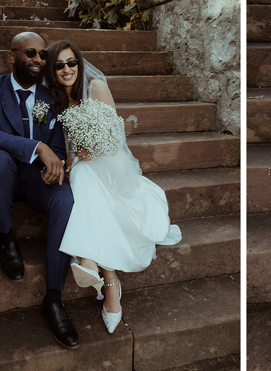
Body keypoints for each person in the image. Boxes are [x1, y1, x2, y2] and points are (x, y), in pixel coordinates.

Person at [43, 40, 182, 334]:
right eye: (59, 65)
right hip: (78, 164)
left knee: (83, 178)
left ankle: (91, 263)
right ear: (52, 70)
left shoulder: (95, 88)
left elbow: (115, 135)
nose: (67, 69)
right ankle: (109, 282)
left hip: (109, 160)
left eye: (71, 63)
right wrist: (69, 158)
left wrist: (93, 149)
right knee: (81, 178)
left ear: (79, 64)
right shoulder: (50, 100)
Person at [0, 32, 79, 349]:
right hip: (0, 177)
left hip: (36, 178)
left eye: (43, 54)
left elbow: (57, 143)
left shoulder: (48, 93)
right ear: (11, 56)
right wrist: (38, 147)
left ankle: (53, 298)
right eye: (30, 52)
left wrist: (57, 163)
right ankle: (7, 240)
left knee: (65, 200)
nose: (38, 59)